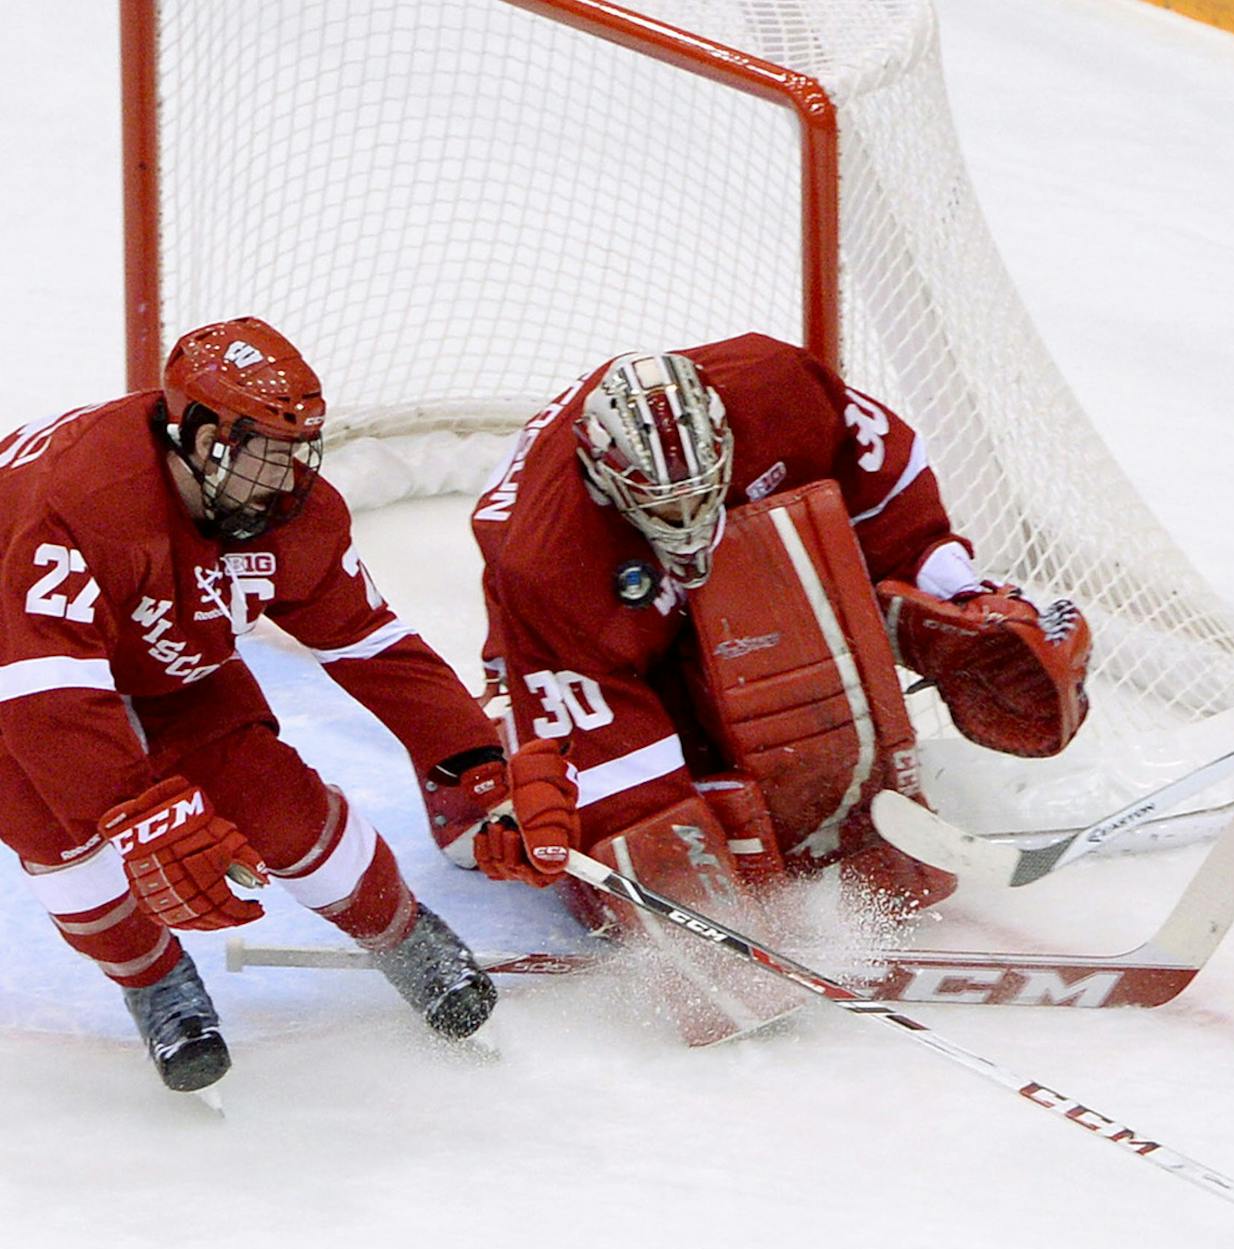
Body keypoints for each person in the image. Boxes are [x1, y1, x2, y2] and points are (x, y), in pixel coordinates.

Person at [462, 333, 1091, 1044]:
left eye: (699, 496)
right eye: (662, 509)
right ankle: (484, 781)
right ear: (605, 479)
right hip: (562, 640)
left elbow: (884, 475)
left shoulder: (774, 388)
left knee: (779, 575)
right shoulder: (545, 562)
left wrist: (944, 581)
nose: (687, 522)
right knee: (579, 825)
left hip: (664, 576)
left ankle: (837, 827)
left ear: (727, 436)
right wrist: (696, 908)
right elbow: (618, 759)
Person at [0, 317, 523, 1095]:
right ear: (203, 438)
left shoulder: (292, 511)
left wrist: (476, 758)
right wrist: (137, 812)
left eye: (302, 450)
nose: (293, 479)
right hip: (18, 664)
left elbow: (369, 640)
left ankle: (407, 937)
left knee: (274, 800)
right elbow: (44, 697)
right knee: (56, 831)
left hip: (162, 651)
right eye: (269, 455)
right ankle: (156, 985)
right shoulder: (80, 501)